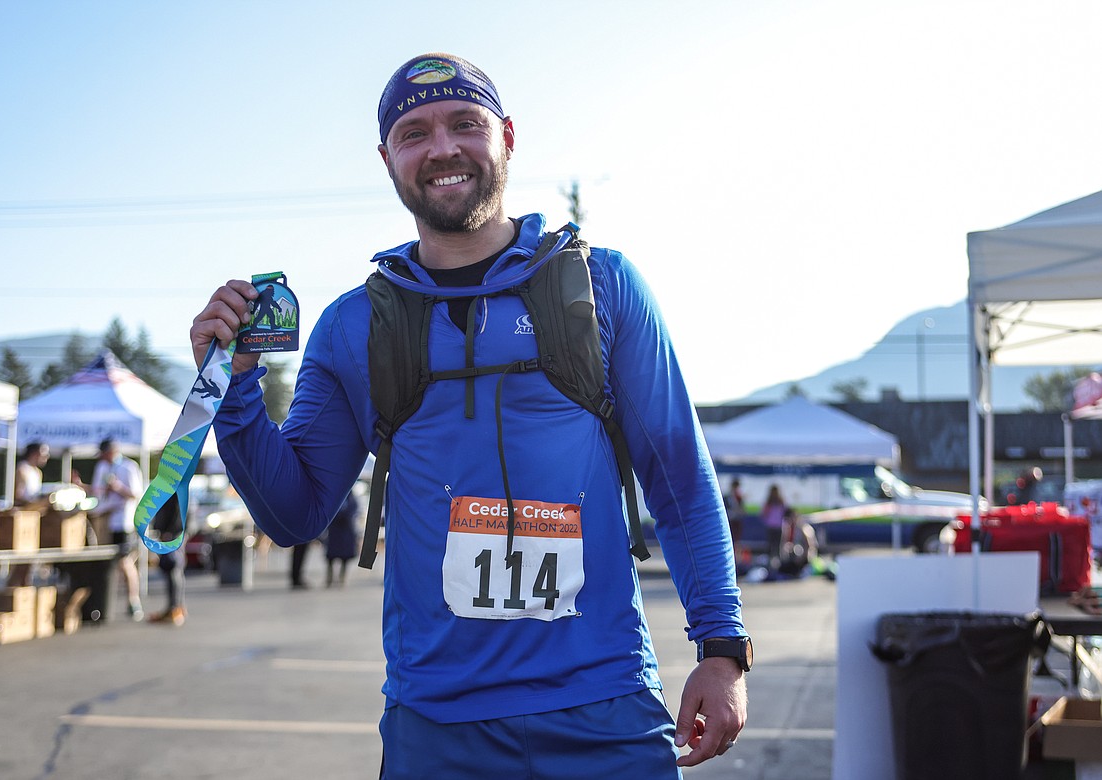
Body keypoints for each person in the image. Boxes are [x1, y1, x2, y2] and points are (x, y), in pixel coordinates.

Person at [192, 53, 747, 777]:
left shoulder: (603, 286)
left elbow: (678, 476)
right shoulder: (356, 325)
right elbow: (293, 514)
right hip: (438, 729)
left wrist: (723, 650)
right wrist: (235, 386)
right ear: (387, 157)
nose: (443, 148)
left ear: (507, 136)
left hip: (605, 712)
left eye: (465, 124)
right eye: (414, 132)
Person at [91, 438, 145, 621]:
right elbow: (97, 492)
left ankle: (133, 600)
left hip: (123, 522)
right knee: (106, 564)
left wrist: (118, 487)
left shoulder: (128, 467)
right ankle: (104, 602)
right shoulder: (102, 467)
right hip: (104, 520)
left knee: (125, 562)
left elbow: (136, 494)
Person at [148, 499, 187, 626]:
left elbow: (178, 508)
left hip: (173, 532)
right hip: (173, 531)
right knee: (173, 568)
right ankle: (175, 606)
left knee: (173, 567)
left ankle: (175, 608)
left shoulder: (175, 483)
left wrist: (169, 532)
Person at [760, 484, 788, 564]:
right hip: (771, 527)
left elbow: (785, 513)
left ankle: (779, 563)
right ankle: (770, 562)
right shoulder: (768, 503)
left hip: (779, 527)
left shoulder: (781, 502)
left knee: (778, 546)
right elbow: (763, 514)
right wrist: (767, 521)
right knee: (770, 545)